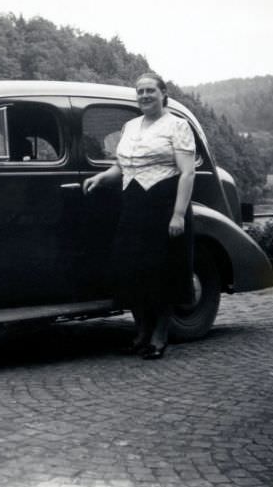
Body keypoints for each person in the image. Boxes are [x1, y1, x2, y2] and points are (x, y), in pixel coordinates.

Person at [83, 73, 196, 360]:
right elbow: (122, 166)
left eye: (150, 91)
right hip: (133, 204)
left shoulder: (177, 126)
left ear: (163, 94)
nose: (144, 96)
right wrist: (101, 177)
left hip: (164, 203)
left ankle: (159, 335)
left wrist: (178, 215)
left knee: (162, 272)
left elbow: (187, 172)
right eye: (140, 92)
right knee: (130, 270)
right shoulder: (130, 126)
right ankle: (142, 332)